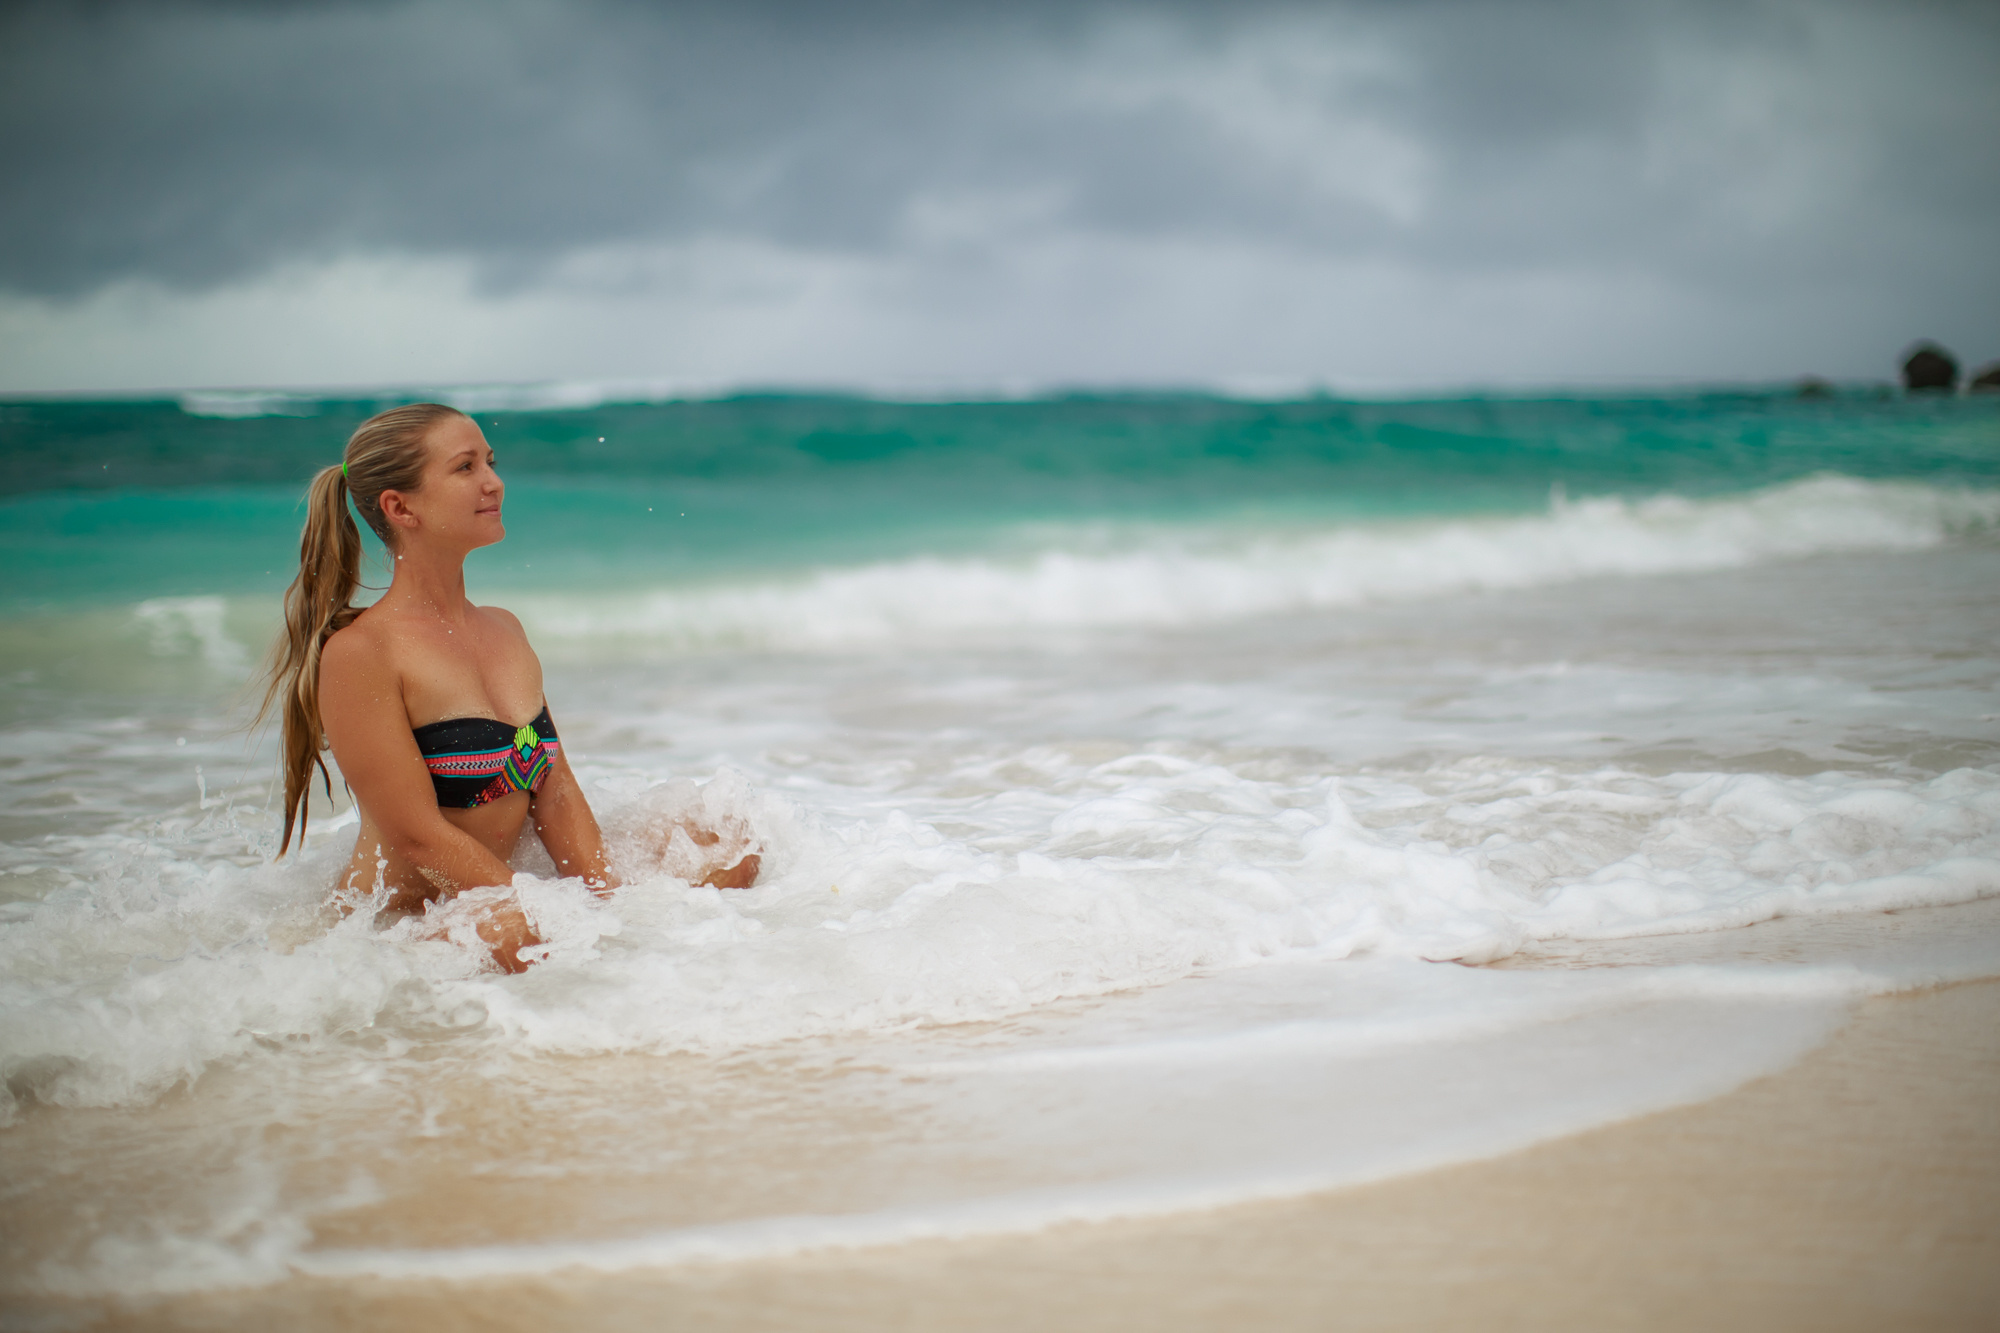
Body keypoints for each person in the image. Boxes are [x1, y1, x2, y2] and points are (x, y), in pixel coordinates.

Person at [259, 403, 757, 973]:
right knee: (520, 933)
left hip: (502, 894)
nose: (493, 482)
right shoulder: (362, 653)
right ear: (401, 507)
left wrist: (613, 904)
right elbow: (417, 839)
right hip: (400, 929)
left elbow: (555, 788)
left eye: (490, 462)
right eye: (465, 468)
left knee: (727, 836)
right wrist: (551, 911)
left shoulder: (504, 629)